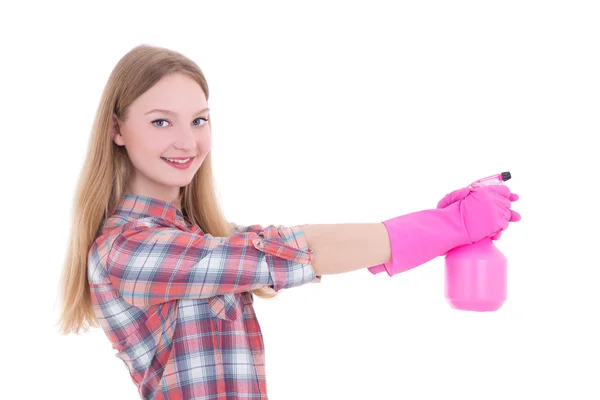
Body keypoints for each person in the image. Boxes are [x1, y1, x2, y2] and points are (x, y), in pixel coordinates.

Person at [57, 44, 521, 400]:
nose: (187, 141)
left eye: (199, 120)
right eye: (162, 122)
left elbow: (281, 245)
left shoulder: (200, 236)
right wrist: (449, 226)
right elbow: (299, 251)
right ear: (117, 129)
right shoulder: (127, 249)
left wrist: (441, 224)